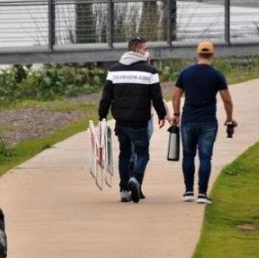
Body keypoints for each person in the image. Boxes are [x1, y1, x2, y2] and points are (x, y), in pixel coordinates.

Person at [98, 37, 167, 203]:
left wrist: (102, 116)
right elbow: (156, 97)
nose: (147, 52)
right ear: (137, 50)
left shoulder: (114, 70)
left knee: (124, 154)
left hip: (121, 121)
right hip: (140, 121)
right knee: (143, 154)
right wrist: (161, 114)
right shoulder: (150, 71)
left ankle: (123, 190)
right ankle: (135, 179)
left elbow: (106, 96)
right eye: (145, 49)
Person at [171, 41, 237, 204]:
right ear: (212, 55)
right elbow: (227, 101)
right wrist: (229, 118)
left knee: (188, 156)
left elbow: (176, 96)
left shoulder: (185, 73)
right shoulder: (216, 75)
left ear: (198, 54)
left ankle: (188, 192)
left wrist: (177, 113)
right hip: (208, 122)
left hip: (188, 121)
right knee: (205, 158)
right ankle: (202, 194)